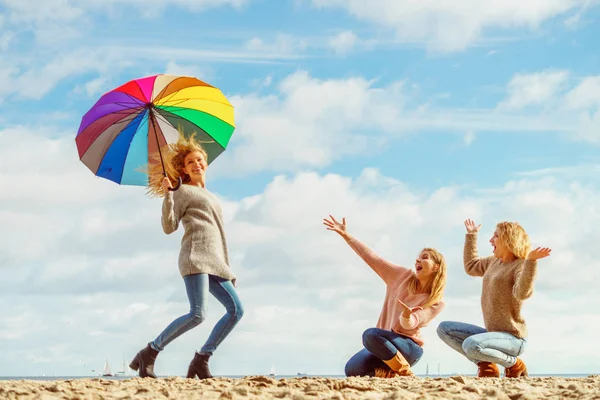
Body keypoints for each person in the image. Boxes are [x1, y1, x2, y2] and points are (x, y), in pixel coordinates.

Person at [129, 133, 244, 379]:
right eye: (191, 162)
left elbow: (219, 235)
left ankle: (201, 360)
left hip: (215, 262)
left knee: (236, 311)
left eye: (200, 159)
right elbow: (169, 227)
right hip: (194, 258)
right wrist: (169, 194)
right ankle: (150, 352)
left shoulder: (211, 195)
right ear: (184, 168)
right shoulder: (182, 191)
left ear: (206, 163)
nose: (197, 164)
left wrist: (227, 268)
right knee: (197, 314)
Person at [323, 215, 446, 377]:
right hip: (383, 345)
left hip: (408, 348)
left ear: (436, 267)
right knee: (351, 369)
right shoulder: (401, 276)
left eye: (425, 257)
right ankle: (390, 372)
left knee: (370, 334)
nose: (418, 260)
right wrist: (348, 236)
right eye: (418, 257)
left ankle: (403, 370)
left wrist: (407, 316)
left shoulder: (436, 300)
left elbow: (412, 323)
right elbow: (373, 258)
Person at [437, 219, 551, 378]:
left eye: (496, 236)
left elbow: (522, 293)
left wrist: (530, 262)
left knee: (471, 345)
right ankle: (486, 364)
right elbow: (471, 266)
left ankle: (513, 364)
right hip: (491, 335)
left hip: (513, 339)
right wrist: (471, 235)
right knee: (444, 329)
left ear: (508, 239)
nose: (491, 240)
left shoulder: (521, 265)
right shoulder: (493, 261)